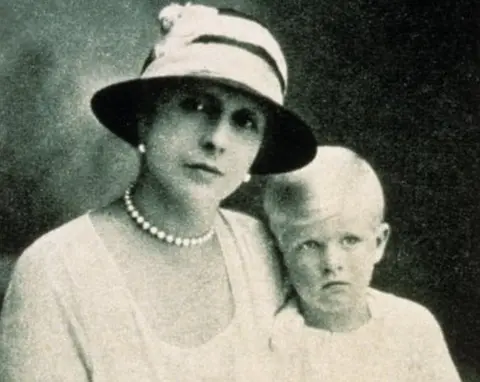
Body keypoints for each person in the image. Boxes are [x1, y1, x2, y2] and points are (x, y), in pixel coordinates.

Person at [0, 3, 317, 381]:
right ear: (146, 117)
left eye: (244, 121)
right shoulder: (55, 269)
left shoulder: (262, 251)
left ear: (259, 149)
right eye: (196, 105)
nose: (217, 139)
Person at [263, 146, 461, 381]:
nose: (331, 263)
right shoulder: (274, 342)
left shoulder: (413, 327)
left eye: (350, 240)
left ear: (378, 243)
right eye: (309, 245)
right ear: (281, 250)